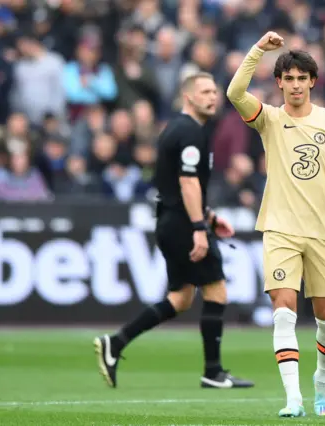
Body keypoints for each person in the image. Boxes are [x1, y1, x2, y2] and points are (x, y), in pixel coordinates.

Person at [226, 31, 325, 418]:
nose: (296, 84)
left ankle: (322, 379)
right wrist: (256, 51)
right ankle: (293, 398)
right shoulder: (269, 118)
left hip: (322, 232)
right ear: (279, 82)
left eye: (303, 78)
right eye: (289, 78)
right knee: (284, 311)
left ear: (312, 82)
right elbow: (235, 93)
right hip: (280, 230)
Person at [93, 73, 254, 390]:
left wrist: (207, 217)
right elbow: (187, 182)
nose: (213, 96)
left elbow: (172, 185)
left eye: (214, 90)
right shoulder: (190, 131)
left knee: (180, 299)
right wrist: (198, 227)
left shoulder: (178, 130)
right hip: (182, 224)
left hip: (173, 220)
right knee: (216, 290)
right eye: (205, 91)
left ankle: (116, 343)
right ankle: (213, 371)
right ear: (188, 97)